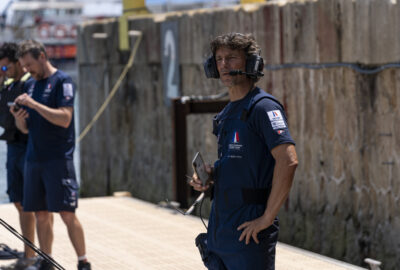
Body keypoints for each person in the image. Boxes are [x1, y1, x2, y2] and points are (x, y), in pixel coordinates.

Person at [190, 33, 298, 270]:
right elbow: (239, 162)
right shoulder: (228, 112)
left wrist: (267, 218)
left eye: (231, 58)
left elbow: (288, 161)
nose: (224, 65)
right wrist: (210, 176)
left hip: (249, 232)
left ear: (251, 64)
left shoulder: (264, 107)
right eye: (218, 59)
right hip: (221, 228)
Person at [11, 40, 91, 270]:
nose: (27, 70)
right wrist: (19, 118)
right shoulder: (30, 85)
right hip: (34, 159)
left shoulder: (62, 81)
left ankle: (83, 261)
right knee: (40, 214)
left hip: (58, 159)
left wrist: (34, 105)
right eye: (24, 66)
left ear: (42, 57)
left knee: (67, 213)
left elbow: (65, 118)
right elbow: (25, 129)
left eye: (29, 65)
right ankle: (46, 260)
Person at [0, 42, 36, 270]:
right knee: (17, 199)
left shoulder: (30, 86)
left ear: (17, 64)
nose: (3, 72)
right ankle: (29, 252)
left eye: (5, 68)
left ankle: (32, 253)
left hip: (28, 148)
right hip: (13, 146)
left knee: (32, 203)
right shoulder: (9, 88)